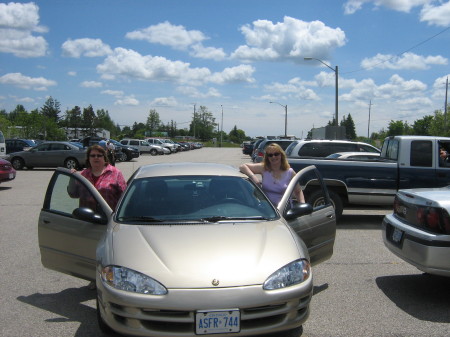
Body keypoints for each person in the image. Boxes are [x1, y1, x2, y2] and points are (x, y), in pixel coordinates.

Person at [239, 143, 305, 206]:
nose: (273, 157)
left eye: (276, 154)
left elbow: (298, 191)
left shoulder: (290, 172)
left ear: (281, 155)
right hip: (268, 209)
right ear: (267, 157)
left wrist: (302, 205)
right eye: (270, 155)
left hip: (283, 209)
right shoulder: (264, 168)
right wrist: (254, 178)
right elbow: (243, 166)